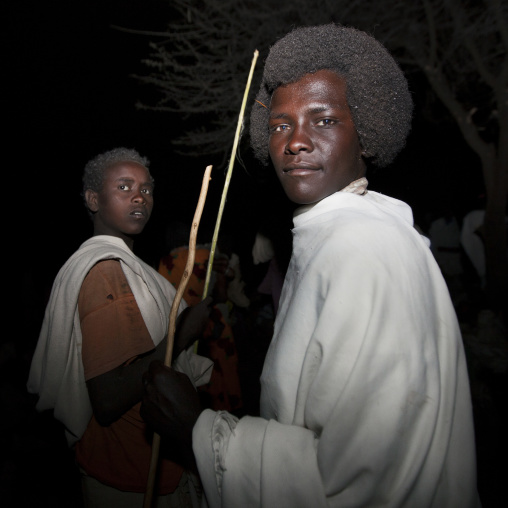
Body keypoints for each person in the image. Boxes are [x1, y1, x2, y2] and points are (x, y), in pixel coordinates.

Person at [141, 24, 480, 507]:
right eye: (281, 124)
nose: (295, 141)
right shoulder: (331, 234)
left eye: (323, 120)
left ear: (366, 133)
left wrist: (198, 428)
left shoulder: (364, 249)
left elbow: (359, 480)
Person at [27, 148, 214, 507]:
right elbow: (109, 398)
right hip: (127, 474)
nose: (139, 196)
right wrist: (183, 334)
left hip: (151, 467)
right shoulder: (105, 271)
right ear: (93, 199)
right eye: (124, 187)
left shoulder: (131, 268)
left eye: (146, 188)